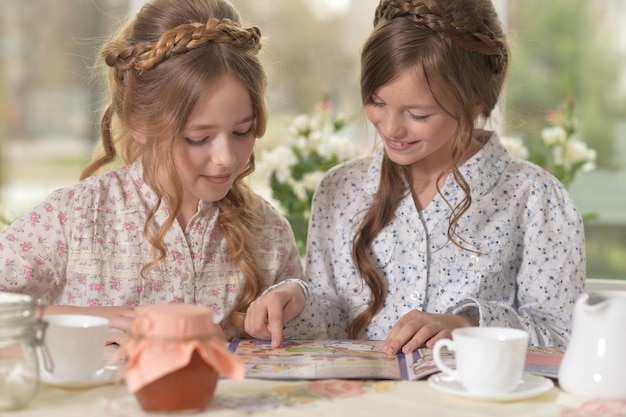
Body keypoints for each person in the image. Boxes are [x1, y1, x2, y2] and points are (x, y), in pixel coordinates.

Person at [245, 0, 586, 354]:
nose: (390, 128)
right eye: (377, 102)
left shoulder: (535, 198)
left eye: (418, 114)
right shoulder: (340, 189)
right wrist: (296, 302)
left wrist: (465, 328)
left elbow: (561, 335)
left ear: (475, 103)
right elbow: (334, 319)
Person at [0, 0, 305, 341]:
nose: (226, 158)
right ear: (139, 123)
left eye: (242, 131)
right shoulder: (76, 218)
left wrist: (298, 296)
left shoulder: (268, 232)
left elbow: (315, 333)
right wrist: (91, 319)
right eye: (198, 138)